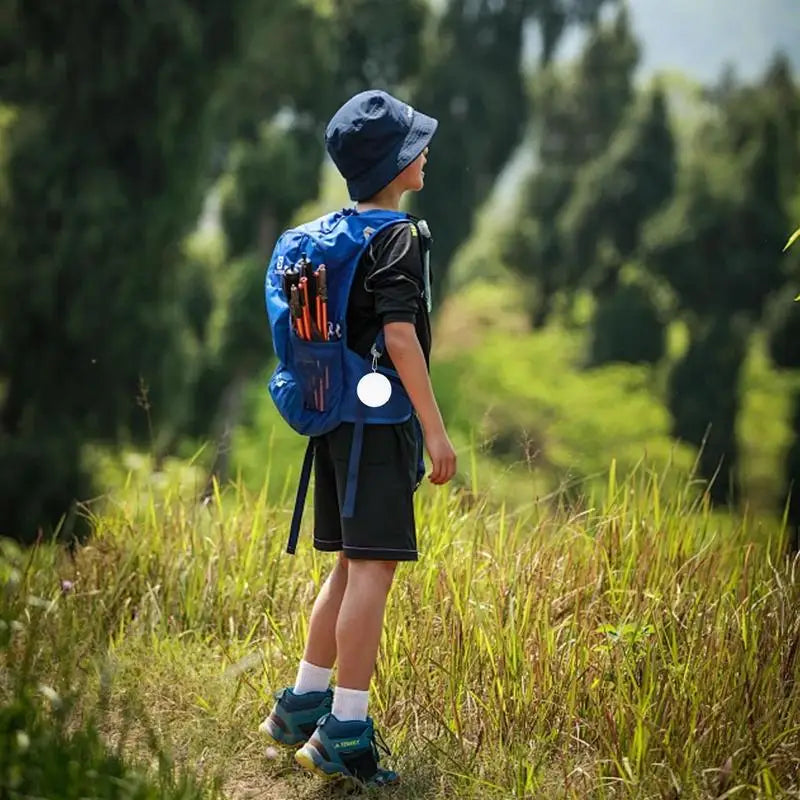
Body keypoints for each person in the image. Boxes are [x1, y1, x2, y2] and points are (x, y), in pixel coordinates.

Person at [259, 90, 458, 788]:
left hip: (335, 421)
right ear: (397, 163)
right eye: (416, 144)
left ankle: (301, 705)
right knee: (372, 570)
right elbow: (400, 338)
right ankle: (345, 728)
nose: (425, 151)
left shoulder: (328, 234)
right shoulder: (398, 238)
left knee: (349, 564)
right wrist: (436, 434)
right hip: (380, 431)